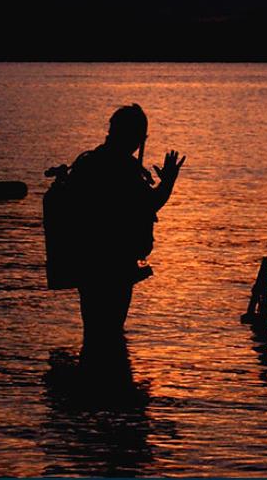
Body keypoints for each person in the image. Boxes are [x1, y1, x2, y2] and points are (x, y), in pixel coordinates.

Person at [57, 104, 184, 352]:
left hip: (87, 263)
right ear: (136, 137)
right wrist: (168, 184)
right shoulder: (123, 169)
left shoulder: (88, 163)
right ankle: (111, 384)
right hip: (115, 265)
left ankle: (96, 381)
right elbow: (148, 205)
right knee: (110, 332)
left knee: (94, 332)